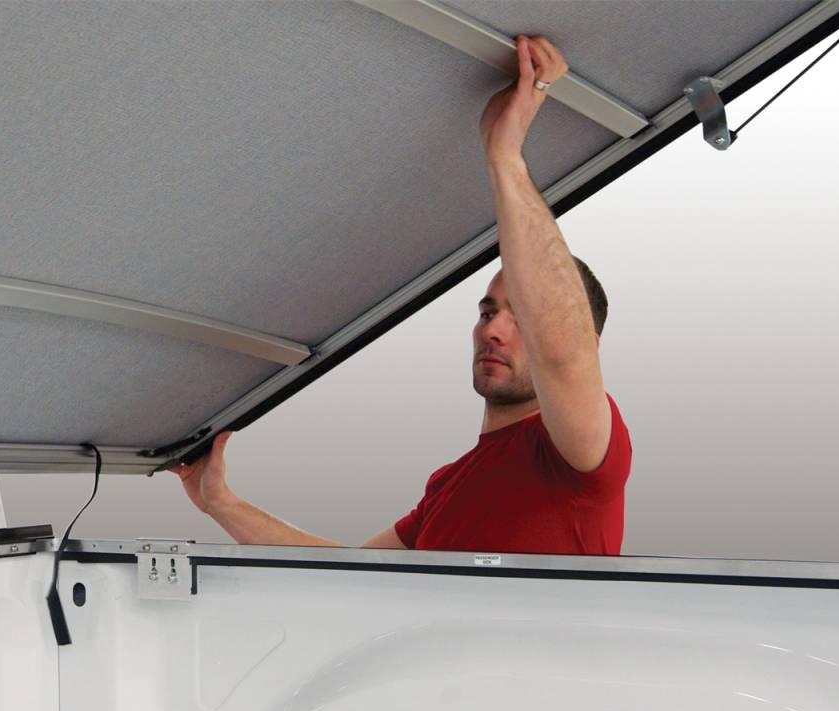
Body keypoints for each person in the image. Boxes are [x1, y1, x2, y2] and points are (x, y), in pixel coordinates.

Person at [171, 36, 631, 555]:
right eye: (488, 312)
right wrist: (220, 502)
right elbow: (359, 576)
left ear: (590, 345)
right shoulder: (449, 484)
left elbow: (563, 353)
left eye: (522, 315)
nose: (495, 330)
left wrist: (504, 156)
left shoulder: (582, 455)